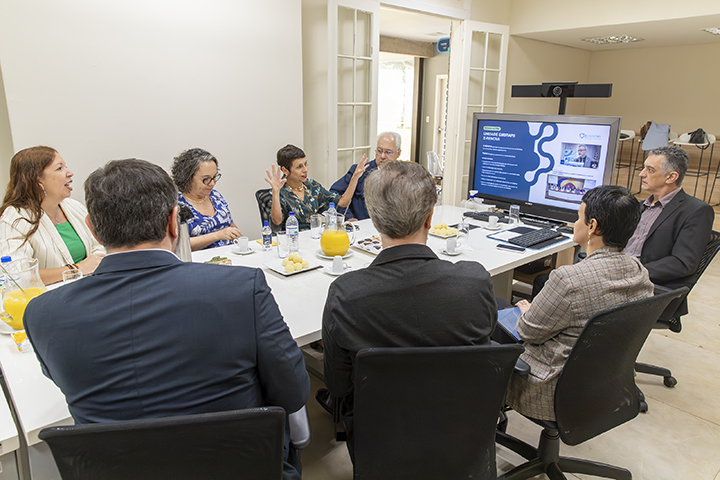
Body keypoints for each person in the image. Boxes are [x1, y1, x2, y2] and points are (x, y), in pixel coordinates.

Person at [24, 159, 310, 480]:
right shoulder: (242, 289)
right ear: (174, 221)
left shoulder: (41, 314)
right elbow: (293, 391)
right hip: (241, 467)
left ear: (92, 227)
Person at [321, 160, 497, 459]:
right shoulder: (475, 281)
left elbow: (337, 386)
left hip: (380, 439)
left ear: (374, 221)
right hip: (461, 430)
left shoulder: (347, 295)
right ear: (430, 218)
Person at [506, 185, 654, 421]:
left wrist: (527, 311)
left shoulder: (568, 279)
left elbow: (527, 331)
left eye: (578, 217)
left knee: (497, 316)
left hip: (549, 388)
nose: (575, 223)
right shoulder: (639, 272)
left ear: (592, 226)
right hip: (604, 385)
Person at [625, 145, 714, 318]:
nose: (641, 174)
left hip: (647, 287)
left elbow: (683, 263)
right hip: (619, 276)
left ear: (671, 177)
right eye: (644, 168)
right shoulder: (639, 206)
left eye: (650, 170)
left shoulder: (696, 211)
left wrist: (633, 273)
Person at [0, 146, 105, 285]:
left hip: (88, 288)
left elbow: (99, 246)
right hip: (48, 300)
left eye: (66, 166)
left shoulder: (74, 206)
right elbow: (17, 276)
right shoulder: (15, 218)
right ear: (38, 181)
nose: (70, 173)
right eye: (59, 168)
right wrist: (75, 269)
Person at [265, 144, 367, 229]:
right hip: (291, 242)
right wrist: (275, 192)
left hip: (313, 238)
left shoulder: (312, 186)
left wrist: (355, 177)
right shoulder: (280, 191)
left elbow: (342, 202)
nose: (305, 169)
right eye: (299, 167)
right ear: (285, 170)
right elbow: (277, 221)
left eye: (305, 164)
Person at [171, 148, 242, 250]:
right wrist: (217, 235)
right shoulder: (177, 204)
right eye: (206, 179)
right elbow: (177, 244)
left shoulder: (215, 196)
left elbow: (231, 226)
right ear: (187, 177)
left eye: (214, 177)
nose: (212, 183)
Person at [330, 131, 402, 220]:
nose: (382, 156)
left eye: (388, 152)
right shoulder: (360, 171)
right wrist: (348, 217)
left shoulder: (403, 175)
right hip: (362, 226)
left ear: (398, 153)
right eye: (379, 151)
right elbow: (334, 194)